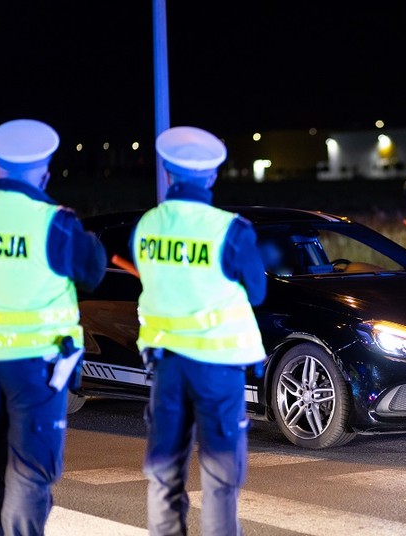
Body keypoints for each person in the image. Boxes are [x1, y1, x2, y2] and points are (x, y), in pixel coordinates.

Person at [0, 119, 107, 534]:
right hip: (37, 370)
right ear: (44, 174)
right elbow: (93, 270)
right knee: (29, 471)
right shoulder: (55, 223)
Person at [131, 126, 267, 536]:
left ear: (169, 173)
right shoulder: (231, 229)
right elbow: (257, 291)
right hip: (218, 368)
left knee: (164, 471)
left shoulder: (147, 226)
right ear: (211, 176)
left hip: (168, 366)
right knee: (221, 477)